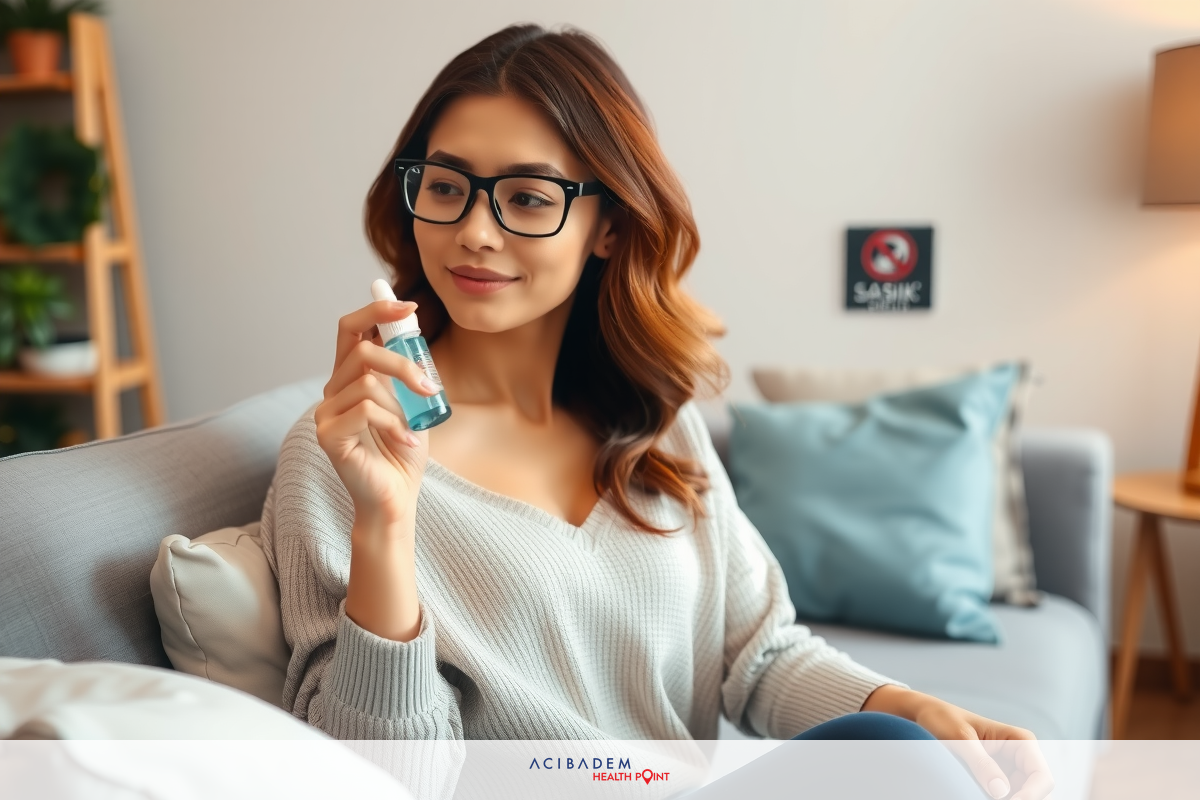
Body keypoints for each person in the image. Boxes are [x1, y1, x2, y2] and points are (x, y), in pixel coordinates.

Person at [258, 22, 1052, 800]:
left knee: (901, 750)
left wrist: (906, 705)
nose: (473, 231)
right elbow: (381, 783)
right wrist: (385, 525)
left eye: (528, 198)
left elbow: (760, 656)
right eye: (444, 186)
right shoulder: (346, 452)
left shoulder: (656, 422)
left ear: (608, 227)